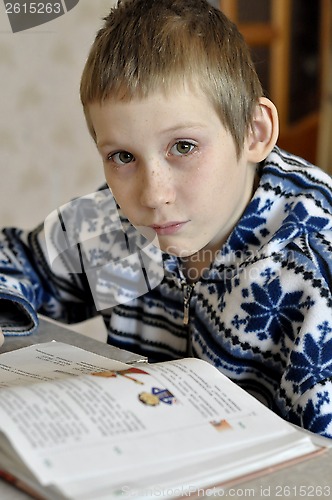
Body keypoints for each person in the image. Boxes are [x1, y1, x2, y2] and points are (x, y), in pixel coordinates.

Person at [1, 0, 332, 438]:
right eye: (123, 156)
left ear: (254, 131)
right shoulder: (124, 226)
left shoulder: (312, 269)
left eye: (184, 147)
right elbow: (21, 259)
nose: (153, 194)